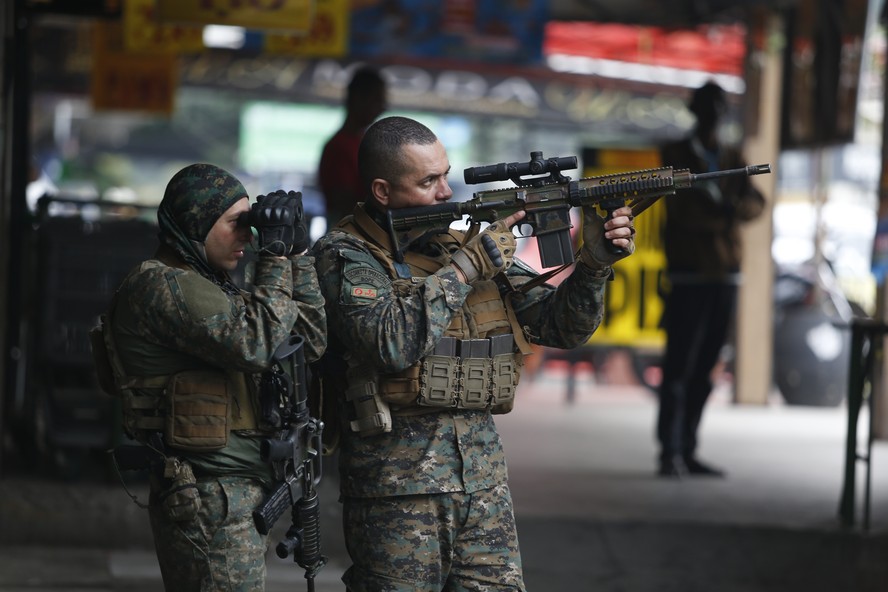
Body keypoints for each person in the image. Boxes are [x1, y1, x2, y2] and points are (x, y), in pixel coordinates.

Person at [311, 116, 636, 591]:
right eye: (428, 181)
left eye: (445, 174)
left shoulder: (460, 244)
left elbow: (560, 327)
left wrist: (592, 265)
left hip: (482, 486)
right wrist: (467, 268)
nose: (446, 192)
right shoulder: (346, 256)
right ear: (382, 191)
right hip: (396, 493)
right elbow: (390, 342)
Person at [93, 163, 326, 590]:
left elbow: (307, 344)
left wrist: (296, 257)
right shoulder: (161, 286)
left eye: (250, 225)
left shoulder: (217, 287)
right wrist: (272, 259)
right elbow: (255, 346)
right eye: (236, 225)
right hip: (208, 495)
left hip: (235, 492)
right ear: (195, 224)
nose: (247, 237)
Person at [656, 81, 765, 478]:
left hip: (724, 276)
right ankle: (669, 449)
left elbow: (756, 203)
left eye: (719, 108)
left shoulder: (733, 156)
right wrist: (727, 215)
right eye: (709, 108)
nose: (714, 115)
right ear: (696, 111)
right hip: (688, 275)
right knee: (678, 366)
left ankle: (688, 447)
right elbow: (683, 214)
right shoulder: (676, 155)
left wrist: (730, 209)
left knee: (704, 368)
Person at [317, 65, 388, 231]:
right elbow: (344, 203)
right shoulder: (339, 147)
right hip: (348, 237)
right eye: (377, 100)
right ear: (358, 98)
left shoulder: (360, 142)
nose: (383, 107)